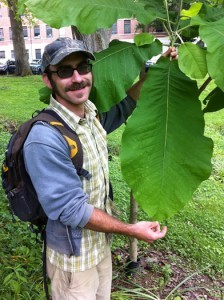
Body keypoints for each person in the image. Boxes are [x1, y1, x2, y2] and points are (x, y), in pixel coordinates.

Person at [23, 37, 176, 300]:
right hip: (72, 262)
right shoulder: (45, 138)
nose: (77, 78)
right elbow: (71, 210)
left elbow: (124, 107)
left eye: (83, 67)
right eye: (64, 71)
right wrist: (130, 229)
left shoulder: (90, 116)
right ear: (48, 80)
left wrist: (159, 67)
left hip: (100, 248)